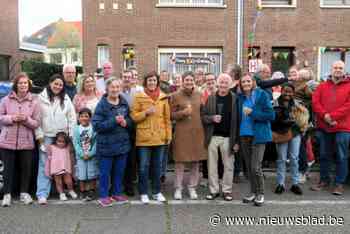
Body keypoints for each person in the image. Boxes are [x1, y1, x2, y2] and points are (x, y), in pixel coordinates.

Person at [35, 74, 77, 205]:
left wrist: (70, 136)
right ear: (50, 83)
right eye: (56, 84)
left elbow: (72, 118)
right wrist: (40, 139)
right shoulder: (40, 99)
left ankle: (65, 190)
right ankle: (42, 193)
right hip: (47, 136)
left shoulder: (65, 98)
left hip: (62, 137)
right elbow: (37, 120)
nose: (58, 86)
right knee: (45, 165)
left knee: (64, 165)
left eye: (60, 84)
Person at [0, 73, 41, 207]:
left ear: (28, 85)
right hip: (7, 140)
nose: (23, 85)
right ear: (16, 85)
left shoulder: (34, 102)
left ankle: (24, 193)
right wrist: (12, 118)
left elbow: (36, 123)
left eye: (25, 83)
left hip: (26, 141)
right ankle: (7, 194)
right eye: (20, 83)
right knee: (8, 169)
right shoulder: (6, 100)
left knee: (26, 168)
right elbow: (0, 118)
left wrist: (26, 119)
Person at [131, 71, 172, 204]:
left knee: (157, 166)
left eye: (154, 80)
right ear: (145, 82)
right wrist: (146, 113)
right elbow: (134, 116)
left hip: (160, 137)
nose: (152, 83)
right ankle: (143, 192)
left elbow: (167, 119)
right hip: (144, 138)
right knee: (143, 166)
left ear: (157, 82)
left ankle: (156, 192)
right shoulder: (139, 96)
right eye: (149, 80)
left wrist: (168, 135)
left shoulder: (164, 97)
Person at [92, 77, 133, 207]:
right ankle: (104, 196)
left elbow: (131, 121)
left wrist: (126, 123)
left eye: (117, 87)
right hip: (106, 146)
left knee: (119, 171)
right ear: (107, 89)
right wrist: (114, 121)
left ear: (120, 88)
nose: (115, 89)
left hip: (122, 145)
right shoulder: (102, 105)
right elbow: (97, 126)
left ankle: (116, 193)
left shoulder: (124, 102)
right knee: (105, 173)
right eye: (112, 87)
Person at [311, 60, 350, 195]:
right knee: (324, 155)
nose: (338, 69)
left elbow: (348, 106)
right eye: (335, 67)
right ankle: (324, 180)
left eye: (340, 68)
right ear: (331, 69)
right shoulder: (322, 86)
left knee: (341, 156)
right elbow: (315, 103)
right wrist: (325, 116)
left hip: (343, 127)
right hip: (325, 126)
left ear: (344, 70)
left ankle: (339, 183)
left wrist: (332, 117)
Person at [237, 73, 275, 206]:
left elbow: (271, 115)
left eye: (248, 81)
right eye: (243, 82)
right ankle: (253, 192)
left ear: (253, 82)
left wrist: (252, 112)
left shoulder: (262, 95)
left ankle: (260, 193)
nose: (246, 84)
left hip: (258, 135)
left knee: (255, 167)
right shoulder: (240, 97)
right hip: (243, 135)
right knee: (249, 167)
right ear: (240, 85)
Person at [201, 73, 238, 201]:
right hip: (213, 137)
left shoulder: (234, 98)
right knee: (212, 166)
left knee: (228, 166)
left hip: (228, 137)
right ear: (217, 83)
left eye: (225, 82)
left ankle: (227, 190)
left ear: (230, 84)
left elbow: (238, 121)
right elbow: (203, 117)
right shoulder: (211, 97)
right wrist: (212, 118)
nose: (223, 85)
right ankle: (214, 190)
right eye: (221, 82)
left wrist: (236, 141)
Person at [171, 71, 206, 200]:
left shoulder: (199, 94)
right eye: (187, 80)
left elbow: (203, 112)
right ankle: (178, 188)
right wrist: (183, 113)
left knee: (195, 162)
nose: (189, 82)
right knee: (180, 161)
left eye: (191, 80)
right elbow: (170, 115)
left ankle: (192, 188)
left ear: (194, 81)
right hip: (181, 132)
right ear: (182, 81)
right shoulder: (175, 95)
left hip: (197, 131)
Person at [272, 83, 309, 196]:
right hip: (281, 133)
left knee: (294, 158)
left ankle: (295, 183)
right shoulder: (275, 103)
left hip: (295, 132)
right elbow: (271, 119)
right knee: (282, 158)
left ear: (293, 93)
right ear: (281, 91)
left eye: (290, 91)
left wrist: (302, 126)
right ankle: (280, 184)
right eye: (285, 91)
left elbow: (305, 116)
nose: (287, 93)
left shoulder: (298, 104)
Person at [73, 108, 98, 201]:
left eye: (86, 116)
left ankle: (91, 191)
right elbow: (75, 143)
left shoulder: (93, 128)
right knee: (82, 175)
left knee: (92, 174)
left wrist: (91, 154)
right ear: (78, 118)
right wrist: (81, 154)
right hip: (81, 157)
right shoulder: (76, 129)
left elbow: (96, 143)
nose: (84, 118)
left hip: (92, 156)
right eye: (82, 116)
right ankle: (82, 191)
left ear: (90, 118)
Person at [120, 69, 138, 196]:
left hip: (133, 129)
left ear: (132, 79)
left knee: (131, 159)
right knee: (121, 158)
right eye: (124, 77)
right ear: (121, 78)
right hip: (120, 129)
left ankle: (129, 185)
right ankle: (118, 184)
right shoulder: (117, 92)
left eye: (129, 77)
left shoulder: (137, 93)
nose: (127, 79)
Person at [45, 132, 77, 201]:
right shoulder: (51, 147)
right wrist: (48, 170)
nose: (61, 143)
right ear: (55, 140)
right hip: (56, 168)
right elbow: (48, 159)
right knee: (58, 182)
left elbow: (72, 156)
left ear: (66, 142)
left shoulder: (68, 148)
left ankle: (71, 190)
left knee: (69, 181)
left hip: (66, 167)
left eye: (63, 142)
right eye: (59, 141)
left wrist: (73, 166)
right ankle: (61, 193)